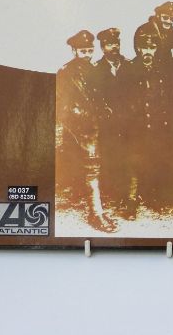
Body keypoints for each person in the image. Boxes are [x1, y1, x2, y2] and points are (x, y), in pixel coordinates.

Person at [56, 30, 117, 233]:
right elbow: (60, 104)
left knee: (96, 165)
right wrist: (77, 116)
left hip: (97, 124)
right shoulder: (65, 72)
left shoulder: (95, 69)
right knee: (91, 167)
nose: (87, 55)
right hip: (80, 126)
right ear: (74, 51)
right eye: (83, 51)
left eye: (90, 51)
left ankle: (95, 206)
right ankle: (96, 213)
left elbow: (102, 96)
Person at [123, 32, 173, 214]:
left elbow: (169, 98)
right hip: (135, 126)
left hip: (157, 125)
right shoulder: (128, 69)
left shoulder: (162, 70)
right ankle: (131, 200)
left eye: (152, 48)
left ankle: (153, 196)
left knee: (155, 159)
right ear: (138, 49)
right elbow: (121, 99)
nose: (148, 51)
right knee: (134, 161)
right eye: (144, 47)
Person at [88, 27, 129, 217]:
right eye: (110, 44)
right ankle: (112, 193)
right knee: (110, 156)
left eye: (116, 43)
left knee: (127, 156)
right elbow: (94, 97)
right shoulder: (96, 69)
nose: (114, 47)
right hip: (107, 123)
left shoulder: (128, 65)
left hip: (128, 120)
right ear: (102, 47)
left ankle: (126, 195)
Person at [134, 1, 173, 65]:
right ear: (158, 16)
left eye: (172, 19)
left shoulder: (172, 32)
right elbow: (144, 53)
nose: (168, 21)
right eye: (165, 18)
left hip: (166, 65)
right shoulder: (145, 29)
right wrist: (170, 54)